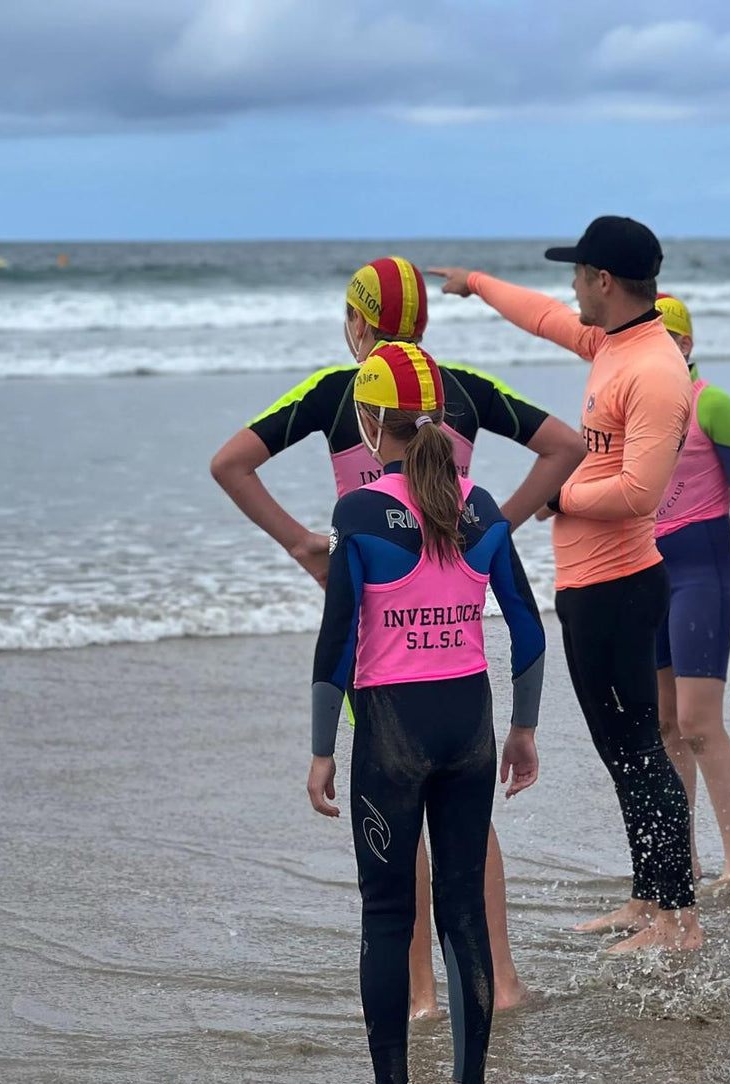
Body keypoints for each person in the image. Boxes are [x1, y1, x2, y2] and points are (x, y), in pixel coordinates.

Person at [211, 256, 583, 1015]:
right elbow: (567, 447)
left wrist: (303, 545)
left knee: (395, 806)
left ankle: (417, 994)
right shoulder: (463, 389)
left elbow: (230, 464)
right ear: (424, 326)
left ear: (355, 323)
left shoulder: (339, 392)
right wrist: (490, 531)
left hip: (374, 632)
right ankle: (501, 983)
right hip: (453, 627)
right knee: (464, 806)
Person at [428, 272, 730, 895]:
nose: (672, 343)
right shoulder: (613, 352)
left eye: (679, 335)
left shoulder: (687, 391)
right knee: (655, 736)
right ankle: (669, 878)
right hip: (623, 573)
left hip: (684, 575)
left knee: (687, 727)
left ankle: (719, 877)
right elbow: (543, 315)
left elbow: (705, 498)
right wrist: (475, 282)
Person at [307, 341, 544, 1084]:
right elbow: (530, 630)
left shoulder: (361, 511)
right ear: (437, 418)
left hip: (393, 735)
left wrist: (321, 749)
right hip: (470, 730)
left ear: (373, 425)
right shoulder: (480, 508)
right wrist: (523, 729)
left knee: (386, 918)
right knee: (463, 913)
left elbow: (337, 639)